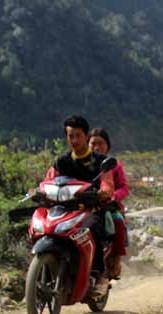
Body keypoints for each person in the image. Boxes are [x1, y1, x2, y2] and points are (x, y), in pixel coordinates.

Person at [42, 115, 115, 298]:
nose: (74, 140)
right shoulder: (61, 162)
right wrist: (38, 191)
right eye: (70, 136)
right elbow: (48, 180)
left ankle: (99, 275)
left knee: (91, 228)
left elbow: (107, 184)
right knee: (44, 227)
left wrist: (103, 192)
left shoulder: (99, 162)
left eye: (78, 136)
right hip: (63, 210)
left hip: (91, 209)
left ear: (85, 136)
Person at [88, 127, 130, 280]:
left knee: (117, 221)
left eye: (101, 143)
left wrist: (113, 196)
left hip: (109, 206)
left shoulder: (115, 166)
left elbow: (124, 187)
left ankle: (117, 261)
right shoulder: (83, 164)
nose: (97, 147)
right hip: (85, 205)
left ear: (108, 145)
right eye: (93, 144)